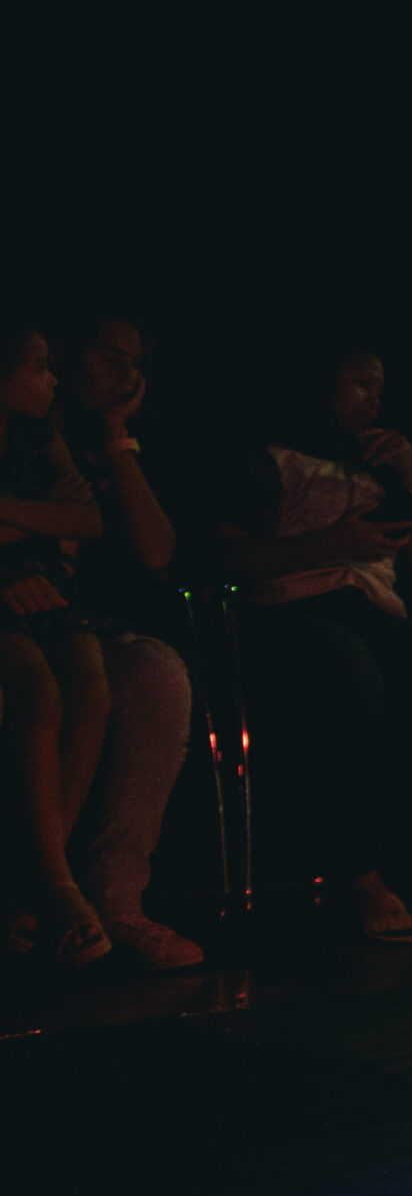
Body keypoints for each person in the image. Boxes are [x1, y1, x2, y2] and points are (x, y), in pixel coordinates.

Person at [215, 342, 412, 942]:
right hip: (290, 610)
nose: (374, 399)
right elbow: (226, 556)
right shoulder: (266, 459)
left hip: (373, 613)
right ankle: (364, 884)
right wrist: (330, 545)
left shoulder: (378, 465)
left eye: (379, 387)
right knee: (348, 669)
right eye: (359, 384)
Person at [53, 308, 203, 967]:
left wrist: (116, 436)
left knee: (155, 673)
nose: (124, 372)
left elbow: (154, 553)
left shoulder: (129, 449)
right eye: (109, 355)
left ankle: (116, 901)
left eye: (135, 362)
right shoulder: (29, 438)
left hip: (87, 629)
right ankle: (40, 892)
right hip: (29, 622)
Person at [0, 317, 116, 965]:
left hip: (46, 586)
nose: (53, 380)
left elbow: (91, 520)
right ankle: (55, 885)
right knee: (37, 687)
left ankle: (37, 884)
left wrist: (6, 514)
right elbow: (64, 517)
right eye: (39, 367)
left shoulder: (38, 436)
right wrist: (41, 517)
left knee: (90, 682)